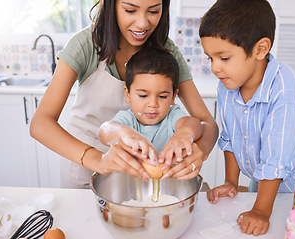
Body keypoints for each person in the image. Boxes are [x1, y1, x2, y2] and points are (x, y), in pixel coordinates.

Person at [29, 0, 218, 188]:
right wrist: (99, 160)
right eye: (130, 10)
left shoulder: (166, 52)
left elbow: (207, 122)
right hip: (84, 162)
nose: (143, 23)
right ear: (112, 6)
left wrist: (199, 150)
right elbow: (41, 124)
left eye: (153, 11)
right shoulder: (85, 45)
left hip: (134, 173)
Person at [199, 0, 295, 236]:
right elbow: (231, 138)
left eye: (224, 58)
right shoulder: (228, 84)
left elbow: (277, 159)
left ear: (260, 49)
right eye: (210, 58)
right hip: (264, 179)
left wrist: (261, 210)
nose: (215, 68)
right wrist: (231, 182)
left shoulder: (285, 90)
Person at [99, 47, 203, 173]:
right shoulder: (128, 120)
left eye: (162, 96)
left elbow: (194, 123)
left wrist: (185, 133)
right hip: (131, 187)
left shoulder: (172, 117)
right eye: (143, 96)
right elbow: (105, 130)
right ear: (127, 94)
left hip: (169, 185)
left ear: (173, 97)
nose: (153, 104)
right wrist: (124, 133)